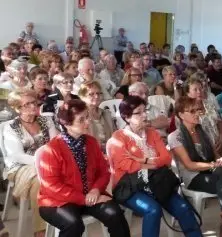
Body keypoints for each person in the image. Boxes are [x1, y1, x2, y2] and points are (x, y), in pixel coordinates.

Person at [106, 96, 201, 237]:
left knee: (183, 208)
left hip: (156, 182)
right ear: (126, 117)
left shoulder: (152, 133)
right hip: (129, 186)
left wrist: (143, 160)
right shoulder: (118, 138)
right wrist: (153, 162)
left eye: (145, 111)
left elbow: (166, 159)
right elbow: (127, 166)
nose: (144, 115)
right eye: (139, 112)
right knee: (153, 210)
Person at [37, 99, 130, 237]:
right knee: (73, 225)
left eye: (87, 117)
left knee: (115, 214)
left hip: (91, 196)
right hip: (58, 201)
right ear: (67, 124)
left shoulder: (91, 142)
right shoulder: (51, 150)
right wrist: (84, 198)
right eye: (81, 120)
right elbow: (52, 186)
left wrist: (96, 190)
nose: (87, 122)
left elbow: (104, 172)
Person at [168, 97, 222, 236]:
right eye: (192, 111)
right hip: (193, 176)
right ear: (181, 115)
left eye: (197, 110)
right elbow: (190, 165)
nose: (197, 113)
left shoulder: (201, 130)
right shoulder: (175, 136)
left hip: (211, 171)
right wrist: (214, 164)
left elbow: (215, 155)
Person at [2, 89, 58, 237]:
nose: (33, 106)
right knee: (38, 181)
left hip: (49, 163)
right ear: (17, 108)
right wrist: (42, 163)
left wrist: (51, 161)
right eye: (27, 104)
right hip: (21, 167)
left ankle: (63, 212)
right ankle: (40, 229)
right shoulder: (11, 128)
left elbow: (56, 143)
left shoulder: (46, 120)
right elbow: (17, 156)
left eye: (34, 102)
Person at [78, 81, 114, 150]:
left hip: (110, 151)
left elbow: (115, 135)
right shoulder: (81, 117)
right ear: (82, 97)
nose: (97, 96)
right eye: (91, 94)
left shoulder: (106, 113)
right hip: (92, 152)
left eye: (98, 93)